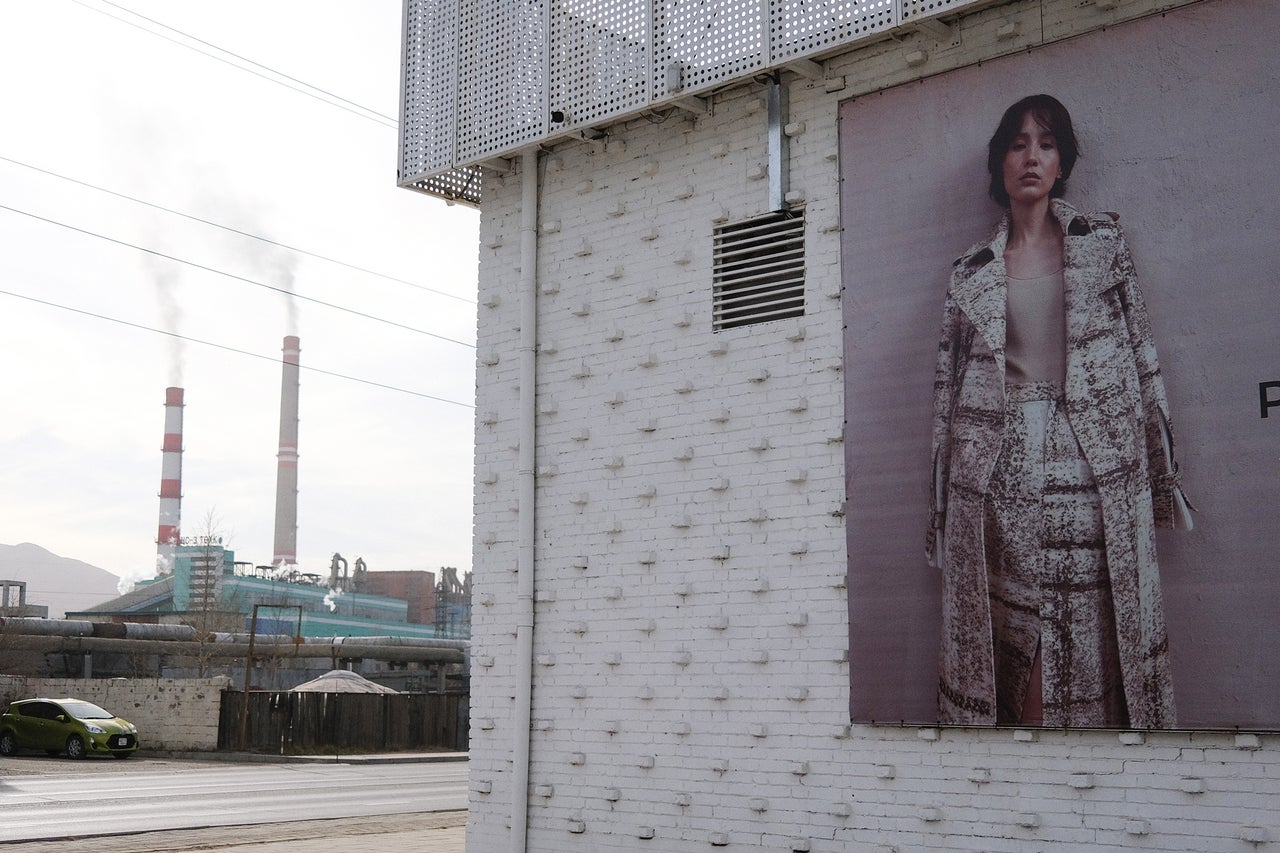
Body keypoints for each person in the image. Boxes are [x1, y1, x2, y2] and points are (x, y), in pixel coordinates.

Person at [927, 95, 1193, 728]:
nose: (1031, 157)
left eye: (1045, 144)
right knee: (1014, 645)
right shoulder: (971, 273)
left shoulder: (1102, 246)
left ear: (1062, 159)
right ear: (1000, 162)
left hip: (1094, 461)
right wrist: (939, 511)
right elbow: (946, 395)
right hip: (997, 469)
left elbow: (1141, 356)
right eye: (1018, 144)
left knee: (1093, 638)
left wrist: (1161, 483)